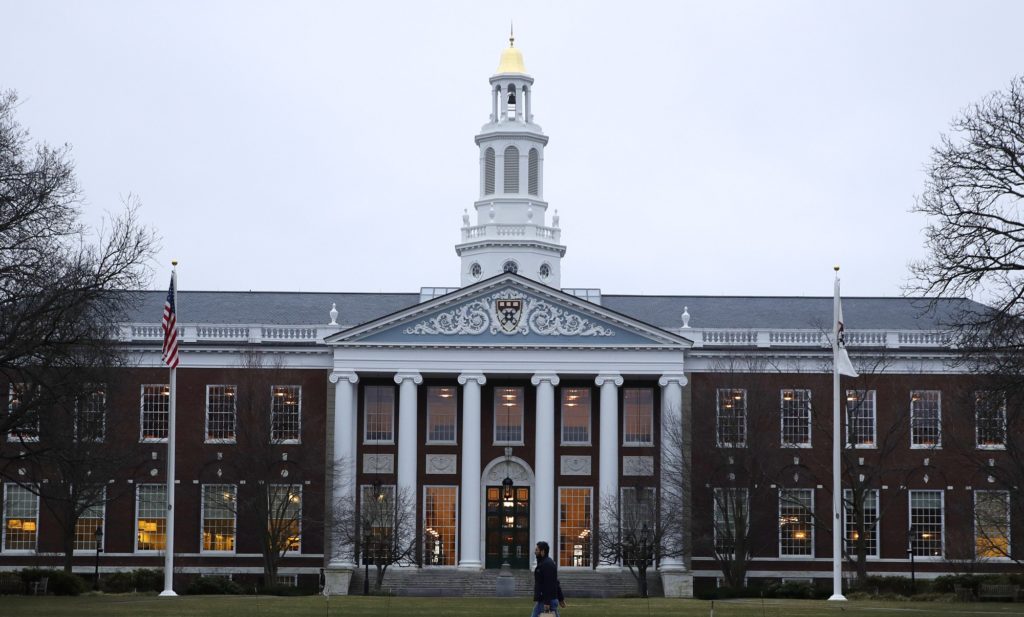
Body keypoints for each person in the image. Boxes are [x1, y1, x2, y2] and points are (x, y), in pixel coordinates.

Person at [532, 541, 566, 616]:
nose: (535, 552)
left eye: (537, 550)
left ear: (542, 551)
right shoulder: (544, 563)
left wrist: (547, 602)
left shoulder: (547, 564)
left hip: (546, 600)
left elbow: (549, 584)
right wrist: (561, 598)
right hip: (547, 599)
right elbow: (555, 582)